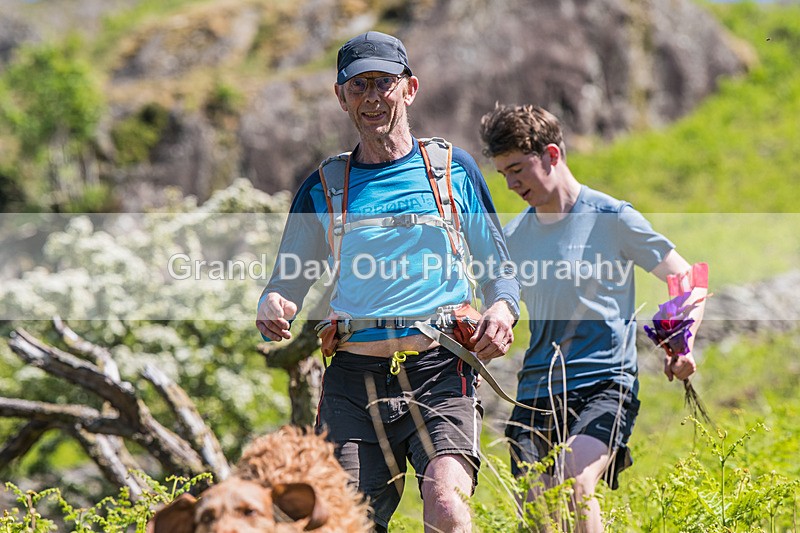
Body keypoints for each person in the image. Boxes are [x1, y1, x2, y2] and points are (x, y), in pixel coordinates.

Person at [256, 31, 520, 532]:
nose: (372, 97)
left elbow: (501, 270)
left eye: (383, 82)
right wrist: (273, 301)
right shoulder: (325, 186)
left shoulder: (451, 170)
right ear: (341, 98)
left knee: (446, 507)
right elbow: (287, 279)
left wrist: (502, 310)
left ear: (410, 88)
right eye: (358, 87)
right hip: (353, 383)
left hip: (442, 371)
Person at [478, 104, 707, 532]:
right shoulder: (512, 240)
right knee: (540, 510)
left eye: (517, 169)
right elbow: (492, 307)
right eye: (502, 175)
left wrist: (682, 341)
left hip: (605, 383)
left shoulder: (612, 218)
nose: (510, 185)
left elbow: (687, 278)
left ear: (550, 154)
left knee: (574, 484)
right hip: (537, 390)